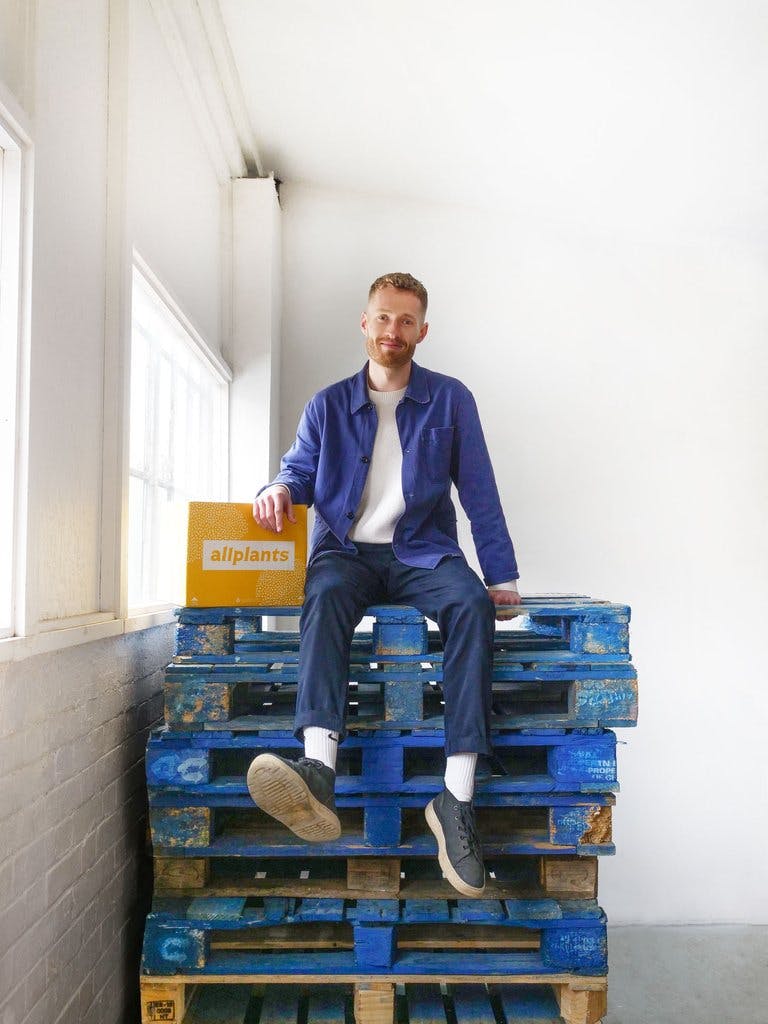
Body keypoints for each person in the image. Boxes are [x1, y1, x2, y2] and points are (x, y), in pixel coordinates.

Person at [247, 272, 520, 897]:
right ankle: (317, 770)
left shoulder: (451, 401)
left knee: (472, 605)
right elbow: (298, 471)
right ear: (364, 324)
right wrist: (276, 490)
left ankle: (455, 800)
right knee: (323, 595)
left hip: (423, 553)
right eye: (382, 318)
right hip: (347, 551)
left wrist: (501, 576)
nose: (392, 331)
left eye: (405, 321)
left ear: (422, 330)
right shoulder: (326, 405)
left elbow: (479, 491)